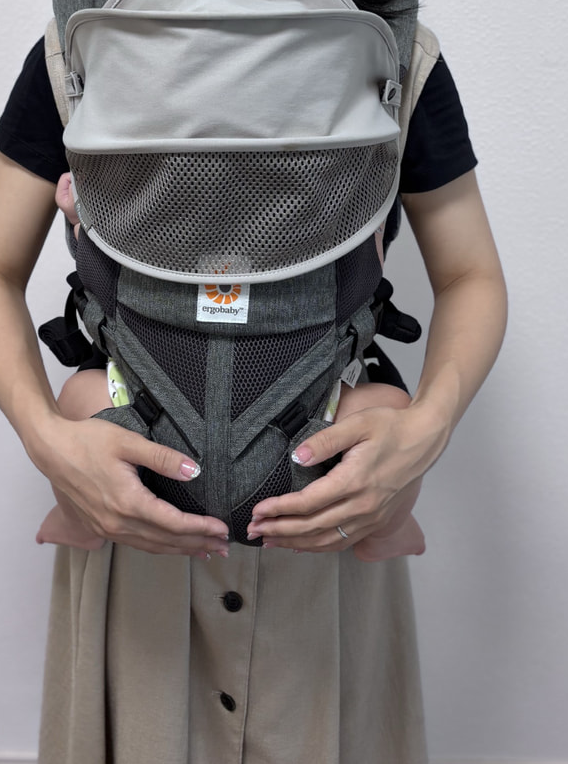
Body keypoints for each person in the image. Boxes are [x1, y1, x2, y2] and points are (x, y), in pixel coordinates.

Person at [0, 0, 508, 764]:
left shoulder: (392, 63)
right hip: (135, 560)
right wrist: (50, 438)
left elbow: (472, 276)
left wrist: (424, 429)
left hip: (328, 562)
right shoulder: (83, 57)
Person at [35, 174, 428, 563]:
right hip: (313, 426)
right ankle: (388, 531)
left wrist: (80, 209)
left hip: (140, 419)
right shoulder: (337, 171)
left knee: (77, 398)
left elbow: (92, 244)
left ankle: (75, 521)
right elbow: (369, 250)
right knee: (392, 407)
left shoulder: (137, 172)